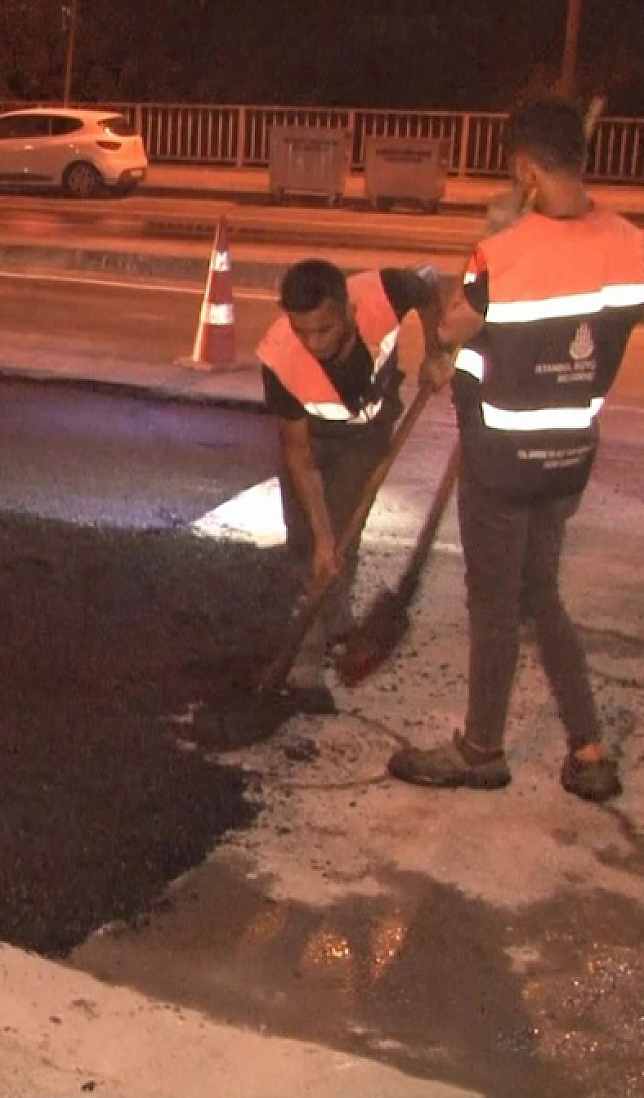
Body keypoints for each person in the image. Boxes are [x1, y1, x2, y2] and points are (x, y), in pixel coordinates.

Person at [388, 96, 644, 802]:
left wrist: (465, 284)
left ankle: (480, 747)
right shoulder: (631, 243)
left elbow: (452, 332)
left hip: (500, 462)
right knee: (543, 594)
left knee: (495, 602)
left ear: (525, 168)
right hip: (568, 461)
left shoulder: (502, 255)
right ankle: (588, 748)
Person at [257, 259, 440, 714]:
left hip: (367, 435)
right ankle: (315, 644)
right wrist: (320, 536)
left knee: (344, 538)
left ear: (348, 310)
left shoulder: (384, 293)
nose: (312, 344)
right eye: (302, 331)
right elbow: (298, 455)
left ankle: (320, 648)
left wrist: (437, 350)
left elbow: (432, 289)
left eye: (323, 330)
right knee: (310, 549)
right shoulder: (280, 357)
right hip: (313, 442)